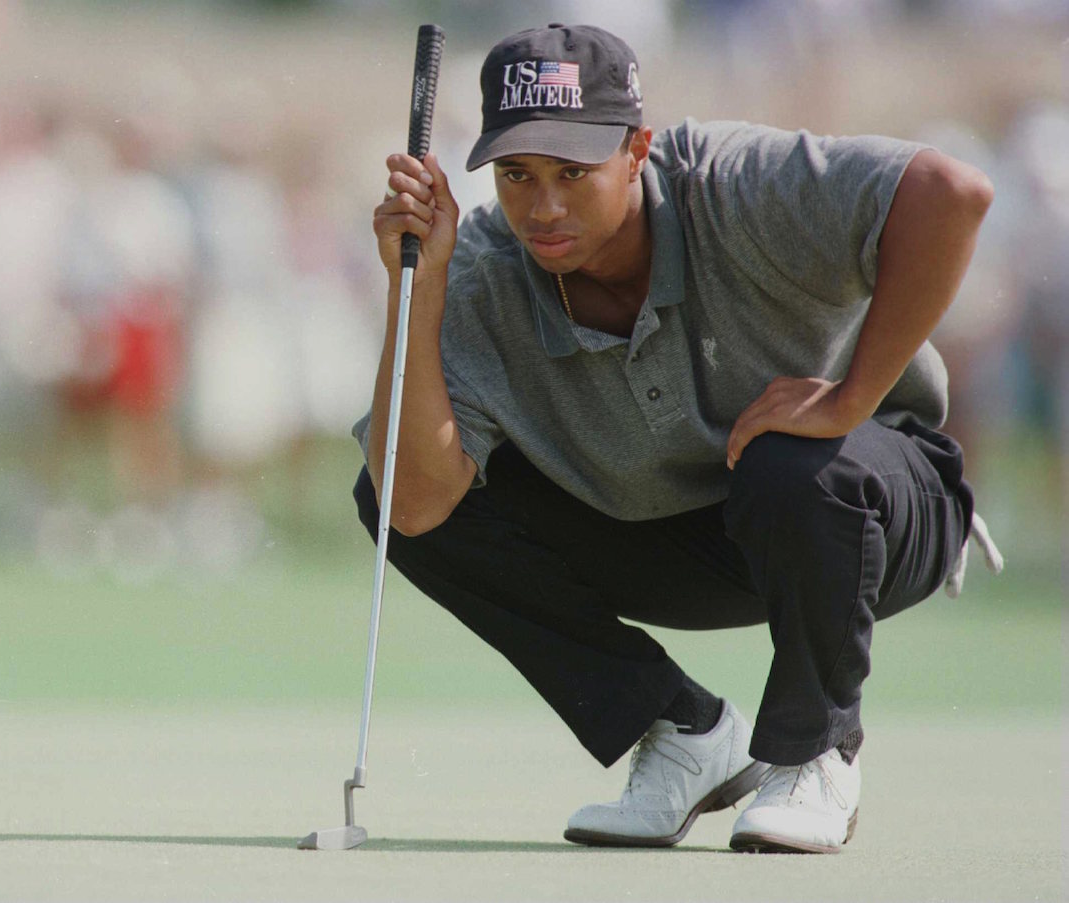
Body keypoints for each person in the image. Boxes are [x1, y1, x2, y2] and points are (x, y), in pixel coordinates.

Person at [355, 23, 1001, 854]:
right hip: (690, 537)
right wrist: (419, 287)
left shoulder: (732, 183)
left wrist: (850, 398)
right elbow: (413, 505)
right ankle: (681, 731)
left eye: (572, 173)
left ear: (638, 150)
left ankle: (815, 752)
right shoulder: (482, 268)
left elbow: (951, 192)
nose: (543, 207)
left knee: (790, 463)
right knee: (384, 482)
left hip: (868, 510)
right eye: (517, 175)